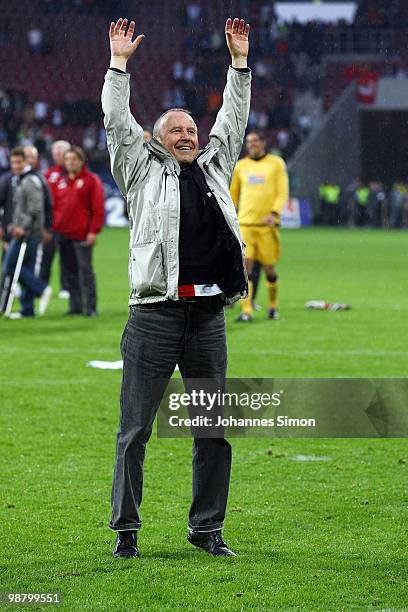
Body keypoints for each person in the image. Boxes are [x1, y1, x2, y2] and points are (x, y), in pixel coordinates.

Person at [102, 16, 251, 559]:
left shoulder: (215, 169)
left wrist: (239, 65)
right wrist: (118, 66)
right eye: (177, 132)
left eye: (192, 130)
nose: (188, 137)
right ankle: (126, 530)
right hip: (155, 316)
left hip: (208, 318)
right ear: (157, 140)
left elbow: (232, 122)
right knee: (135, 430)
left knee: (212, 431)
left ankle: (207, 528)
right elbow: (117, 123)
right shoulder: (140, 171)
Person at [230, 130, 288, 322]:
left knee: (269, 269)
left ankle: (273, 306)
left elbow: (282, 191)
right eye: (249, 142)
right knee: (246, 267)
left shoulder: (276, 164)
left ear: (263, 143)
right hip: (246, 224)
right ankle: (246, 310)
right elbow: (233, 195)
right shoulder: (241, 166)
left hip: (267, 227)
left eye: (255, 141)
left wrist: (274, 213)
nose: (251, 144)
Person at [51, 146, 104, 316]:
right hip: (62, 233)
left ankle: (91, 308)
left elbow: (98, 207)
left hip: (82, 234)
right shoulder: (61, 181)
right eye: (67, 159)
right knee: (69, 273)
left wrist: (93, 231)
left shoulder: (91, 180)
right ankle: (75, 307)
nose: (70, 162)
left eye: (73, 159)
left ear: (81, 161)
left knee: (85, 271)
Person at [1, 147, 52, 318]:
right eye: (13, 162)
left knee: (9, 267)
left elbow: (36, 208)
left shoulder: (30, 181)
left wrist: (22, 226)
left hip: (28, 233)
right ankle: (27, 309)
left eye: (18, 162)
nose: (15, 165)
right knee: (26, 267)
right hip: (27, 231)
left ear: (26, 162)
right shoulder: (21, 179)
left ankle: (42, 288)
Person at [41, 140, 71, 296]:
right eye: (54, 154)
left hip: (67, 225)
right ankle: (42, 285)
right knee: (46, 257)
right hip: (51, 224)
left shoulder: (73, 173)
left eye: (59, 154)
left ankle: (65, 287)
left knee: (66, 259)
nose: (56, 156)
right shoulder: (49, 174)